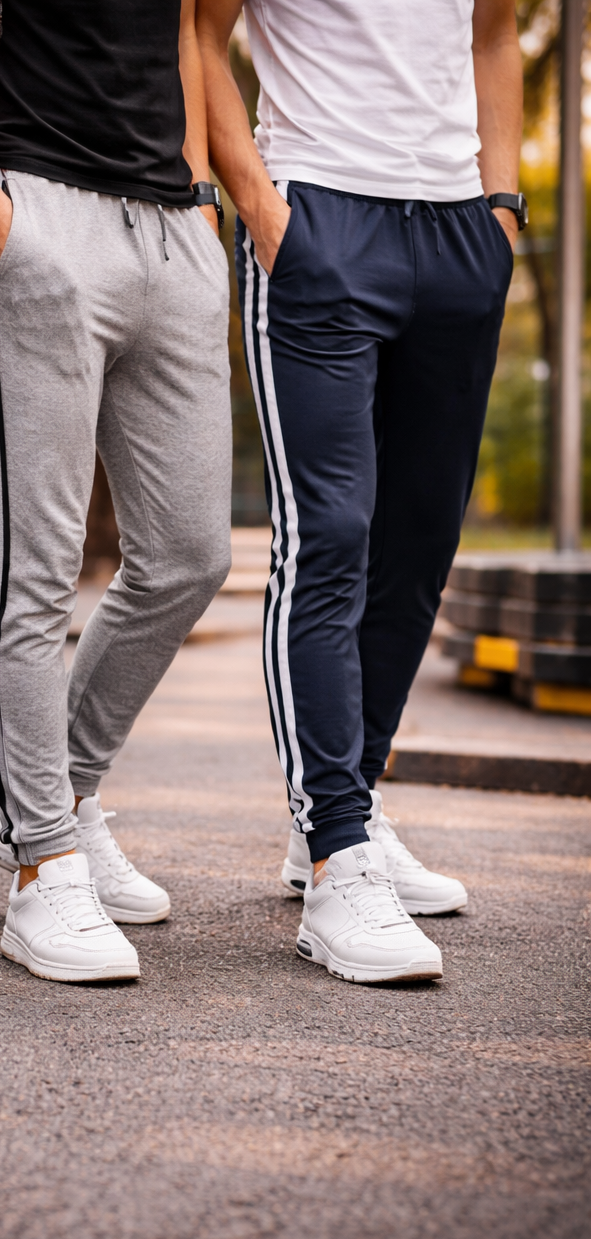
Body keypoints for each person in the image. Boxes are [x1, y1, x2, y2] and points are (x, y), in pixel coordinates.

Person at [0, 0, 233, 984]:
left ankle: (53, 801)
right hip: (31, 206)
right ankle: (44, 865)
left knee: (186, 555)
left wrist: (200, 195)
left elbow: (186, 28)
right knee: (35, 567)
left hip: (170, 225)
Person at [197, 0, 522, 983]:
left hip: (458, 231)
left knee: (420, 540)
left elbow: (495, 33)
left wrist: (501, 208)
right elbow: (199, 36)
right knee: (328, 534)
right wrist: (260, 206)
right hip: (321, 215)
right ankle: (337, 853)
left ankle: (351, 807)